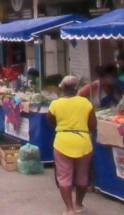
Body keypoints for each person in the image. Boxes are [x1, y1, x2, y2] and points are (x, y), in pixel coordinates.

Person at [48, 75, 96, 215]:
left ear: (62, 88)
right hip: (83, 142)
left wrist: (63, 127)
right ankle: (79, 204)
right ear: (77, 88)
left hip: (62, 141)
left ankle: (69, 209)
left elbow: (50, 121)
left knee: (64, 177)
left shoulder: (55, 104)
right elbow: (92, 124)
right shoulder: (86, 103)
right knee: (83, 176)